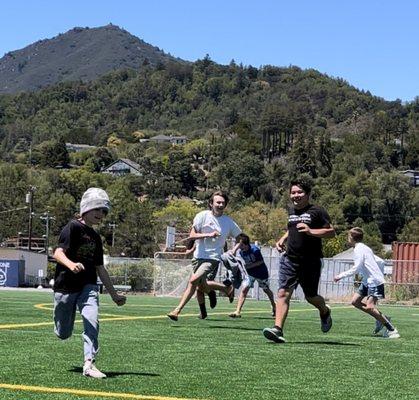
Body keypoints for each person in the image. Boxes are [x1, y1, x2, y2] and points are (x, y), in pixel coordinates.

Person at [53, 188, 127, 379]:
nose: (100, 214)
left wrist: (114, 295)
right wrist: (71, 264)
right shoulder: (73, 227)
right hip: (66, 286)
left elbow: (100, 269)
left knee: (92, 321)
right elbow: (58, 253)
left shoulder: (96, 238)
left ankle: (89, 364)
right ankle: (62, 329)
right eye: (97, 209)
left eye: (104, 211)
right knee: (63, 333)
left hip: (88, 286)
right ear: (86, 208)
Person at [263, 179, 335, 343]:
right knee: (283, 293)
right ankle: (278, 329)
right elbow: (292, 229)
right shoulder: (292, 211)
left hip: (310, 261)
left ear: (308, 194)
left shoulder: (317, 211)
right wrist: (282, 239)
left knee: (310, 297)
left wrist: (311, 231)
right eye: (293, 192)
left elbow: (331, 232)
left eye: (299, 192)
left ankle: (324, 311)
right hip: (290, 259)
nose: (296, 195)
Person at [167, 191, 241, 321]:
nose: (220, 205)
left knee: (193, 281)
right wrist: (207, 236)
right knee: (200, 287)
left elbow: (241, 238)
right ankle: (224, 289)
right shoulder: (202, 216)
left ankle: (176, 311)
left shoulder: (228, 222)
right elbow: (192, 235)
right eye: (218, 202)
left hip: (213, 258)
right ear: (211, 203)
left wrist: (233, 250)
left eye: (223, 203)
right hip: (197, 257)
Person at [334, 227, 400, 339]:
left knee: (370, 307)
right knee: (355, 301)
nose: (347, 238)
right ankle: (381, 318)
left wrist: (340, 276)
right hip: (367, 281)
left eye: (348, 236)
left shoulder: (359, 249)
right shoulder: (365, 248)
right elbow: (380, 261)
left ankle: (391, 329)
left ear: (351, 238)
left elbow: (356, 268)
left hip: (374, 281)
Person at [229, 233, 276, 318]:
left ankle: (274, 306)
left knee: (266, 290)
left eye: (241, 245)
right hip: (250, 274)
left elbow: (260, 262)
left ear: (245, 244)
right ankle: (238, 311)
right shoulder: (241, 251)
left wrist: (249, 266)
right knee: (244, 289)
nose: (239, 246)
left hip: (261, 273)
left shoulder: (255, 250)